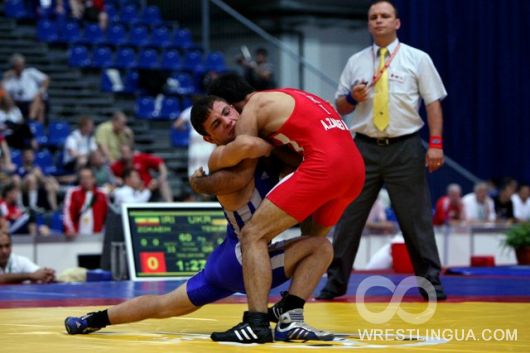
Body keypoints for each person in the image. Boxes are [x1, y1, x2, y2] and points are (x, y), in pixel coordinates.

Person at [65, 145, 335, 342]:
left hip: (223, 262)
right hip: (242, 260)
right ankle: (288, 313)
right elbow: (286, 160)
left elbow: (295, 159)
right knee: (321, 247)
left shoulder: (260, 156)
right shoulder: (238, 162)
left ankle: (92, 320)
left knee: (163, 305)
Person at [190, 73, 365, 343]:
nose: (231, 122)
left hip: (325, 167)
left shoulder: (252, 108)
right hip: (355, 170)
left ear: (235, 105)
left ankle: (256, 323)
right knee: (314, 244)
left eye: (228, 112)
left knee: (252, 235)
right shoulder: (289, 94)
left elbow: (241, 175)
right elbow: (293, 155)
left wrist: (200, 184)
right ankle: (290, 315)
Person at [316, 0, 447, 301]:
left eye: (385, 16)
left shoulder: (417, 58)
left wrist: (436, 144)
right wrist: (352, 96)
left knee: (415, 220)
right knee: (348, 218)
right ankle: (334, 283)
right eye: (373, 17)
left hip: (405, 147)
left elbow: (433, 103)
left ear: (397, 23)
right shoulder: (356, 61)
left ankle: (431, 285)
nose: (378, 21)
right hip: (363, 148)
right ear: (368, 24)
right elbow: (340, 107)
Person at [2, 53, 49, 123]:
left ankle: (30, 121)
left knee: (39, 104)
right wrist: (5, 78)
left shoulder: (31, 72)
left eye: (21, 64)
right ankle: (14, 117)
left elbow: (46, 79)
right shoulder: (11, 78)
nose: (20, 67)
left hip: (33, 101)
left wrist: (41, 91)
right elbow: (4, 89)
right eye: (18, 65)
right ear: (14, 66)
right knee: (4, 94)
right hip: (18, 104)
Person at [63, 167, 109, 237]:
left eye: (88, 177)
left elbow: (107, 216)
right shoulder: (73, 192)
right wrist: (69, 229)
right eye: (83, 178)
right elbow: (67, 214)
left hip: (97, 236)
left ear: (94, 179)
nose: (85, 180)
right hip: (76, 236)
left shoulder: (102, 194)